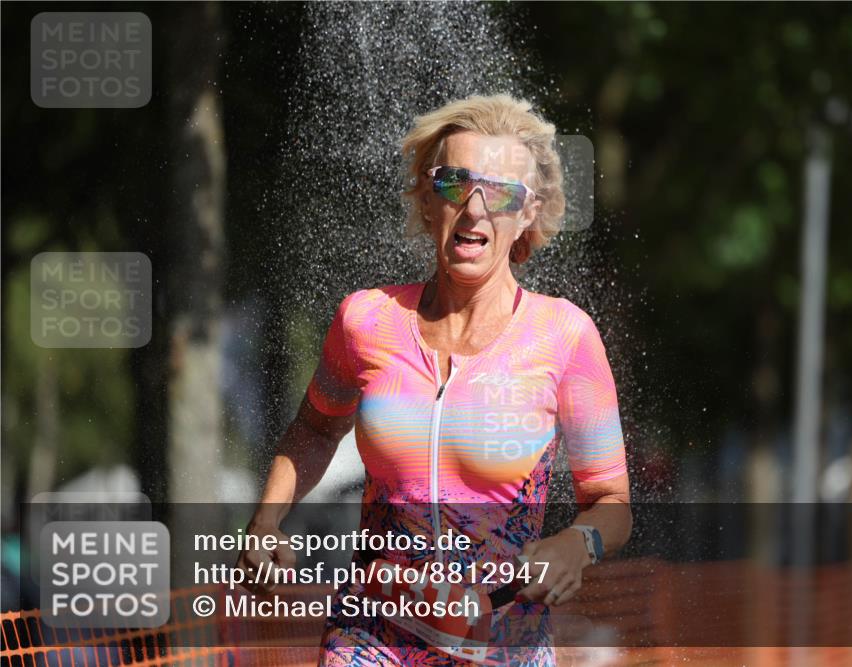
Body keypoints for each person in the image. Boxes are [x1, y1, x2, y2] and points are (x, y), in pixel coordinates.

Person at [238, 93, 631, 666]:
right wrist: (266, 520)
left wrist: (579, 542)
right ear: (427, 198)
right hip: (371, 633)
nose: (474, 209)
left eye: (499, 192)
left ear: (528, 212)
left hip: (503, 641)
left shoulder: (565, 336)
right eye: (455, 184)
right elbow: (316, 431)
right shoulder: (365, 321)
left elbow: (611, 501)